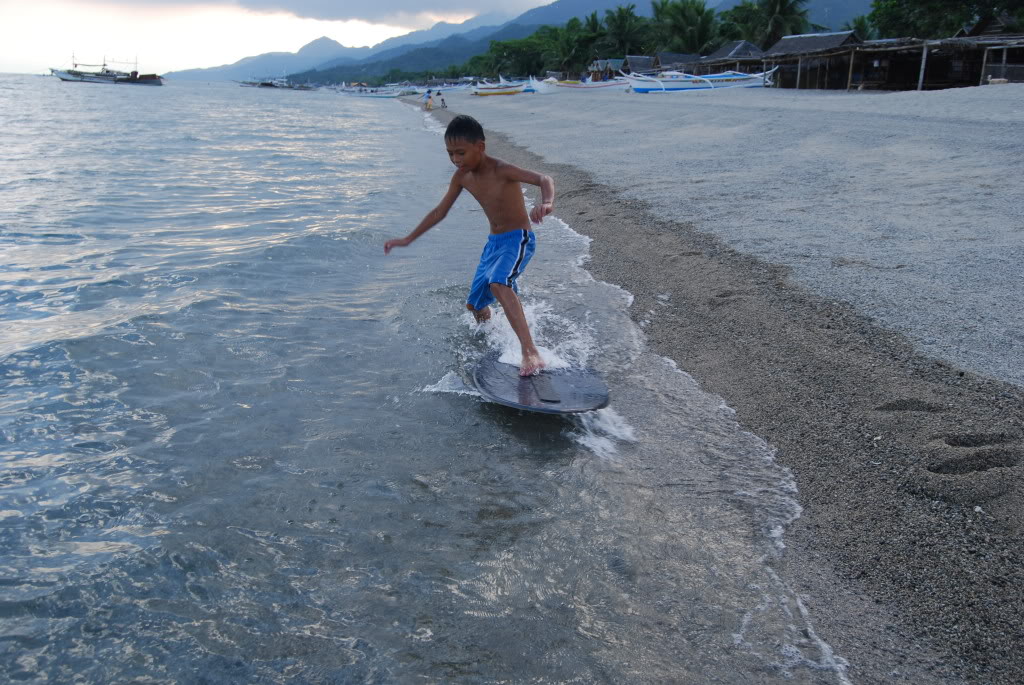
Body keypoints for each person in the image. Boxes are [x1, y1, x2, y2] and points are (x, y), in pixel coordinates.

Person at [384, 114, 554, 376]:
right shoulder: (462, 177)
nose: (455, 160)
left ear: (480, 147)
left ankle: (530, 351)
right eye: (450, 154)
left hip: (517, 239)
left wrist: (546, 202)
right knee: (475, 306)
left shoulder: (502, 169)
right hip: (493, 245)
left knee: (499, 282)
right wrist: (407, 239)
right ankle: (494, 337)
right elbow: (439, 212)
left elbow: (544, 179)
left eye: (461, 153)